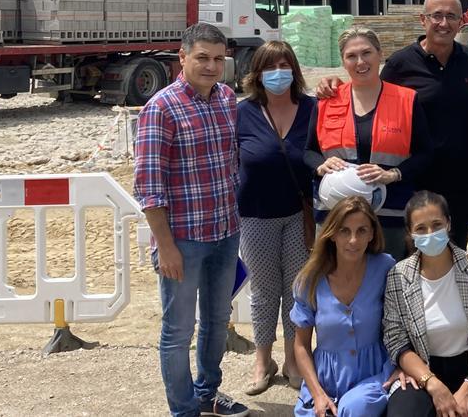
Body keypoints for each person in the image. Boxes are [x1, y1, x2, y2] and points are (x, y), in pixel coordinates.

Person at [134, 22, 249, 417]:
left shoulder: (226, 99)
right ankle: (183, 410)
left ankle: (207, 394)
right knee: (178, 330)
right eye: (202, 57)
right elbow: (150, 186)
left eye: (218, 59)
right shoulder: (161, 108)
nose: (211, 66)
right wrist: (165, 247)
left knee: (217, 321)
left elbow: (230, 166)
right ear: (182, 57)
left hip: (224, 233)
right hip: (183, 239)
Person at [319, 0, 468, 248]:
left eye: (451, 17)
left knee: (453, 255)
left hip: (460, 182)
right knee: (414, 258)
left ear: (461, 22)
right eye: (437, 16)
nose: (444, 23)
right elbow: (368, 90)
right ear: (423, 20)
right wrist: (332, 84)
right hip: (414, 181)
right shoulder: (400, 64)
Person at [306, 28, 432, 259]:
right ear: (343, 61)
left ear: (380, 54)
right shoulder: (326, 102)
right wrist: (320, 166)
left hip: (389, 216)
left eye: (367, 53)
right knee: (337, 284)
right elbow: (309, 151)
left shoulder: (406, 100)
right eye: (351, 56)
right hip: (336, 216)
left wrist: (393, 174)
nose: (360, 61)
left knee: (388, 286)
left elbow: (425, 154)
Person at [236, 40, 316, 395]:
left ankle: (292, 359)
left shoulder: (312, 109)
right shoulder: (243, 112)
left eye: (284, 66)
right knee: (264, 292)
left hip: (300, 216)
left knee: (297, 291)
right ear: (257, 73)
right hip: (255, 216)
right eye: (270, 67)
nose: (278, 74)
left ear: (295, 71)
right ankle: (262, 360)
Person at [383, 191, 468, 417]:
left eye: (436, 224)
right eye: (421, 228)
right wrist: (432, 384)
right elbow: (396, 341)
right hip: (421, 370)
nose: (430, 233)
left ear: (448, 224)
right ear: (410, 233)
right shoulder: (398, 276)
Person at [291, 196, 396, 417]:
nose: (353, 240)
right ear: (332, 234)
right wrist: (318, 394)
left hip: (374, 375)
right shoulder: (309, 280)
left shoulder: (386, 268)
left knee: (353, 409)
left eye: (361, 231)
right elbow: (301, 346)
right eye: (345, 231)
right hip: (324, 380)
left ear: (372, 234)